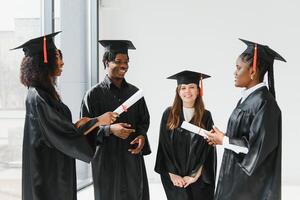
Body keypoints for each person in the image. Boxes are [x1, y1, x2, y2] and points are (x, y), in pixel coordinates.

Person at [13, 32, 117, 200]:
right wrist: (98, 121)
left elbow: (59, 128)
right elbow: (62, 131)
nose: (62, 63)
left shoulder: (43, 93)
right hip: (47, 169)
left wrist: (80, 125)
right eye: (57, 58)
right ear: (44, 62)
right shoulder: (38, 96)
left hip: (53, 163)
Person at [207, 39, 286, 200]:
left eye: (238, 67)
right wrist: (222, 138)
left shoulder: (265, 103)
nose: (234, 72)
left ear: (253, 71)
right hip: (236, 181)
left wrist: (225, 140)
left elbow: (256, 147)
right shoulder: (249, 99)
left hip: (250, 187)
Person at [80, 40, 151, 200]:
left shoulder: (135, 93)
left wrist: (141, 136)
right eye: (118, 61)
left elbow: (143, 121)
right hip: (106, 160)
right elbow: (85, 130)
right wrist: (109, 129)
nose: (124, 65)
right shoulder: (93, 95)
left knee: (135, 194)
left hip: (131, 157)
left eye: (126, 62)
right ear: (106, 62)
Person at [154, 70, 216, 200]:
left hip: (198, 178)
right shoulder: (169, 114)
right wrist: (172, 173)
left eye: (192, 87)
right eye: (183, 88)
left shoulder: (206, 116)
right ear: (178, 91)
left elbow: (208, 149)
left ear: (198, 90)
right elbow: (164, 146)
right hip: (175, 178)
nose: (187, 91)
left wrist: (195, 175)